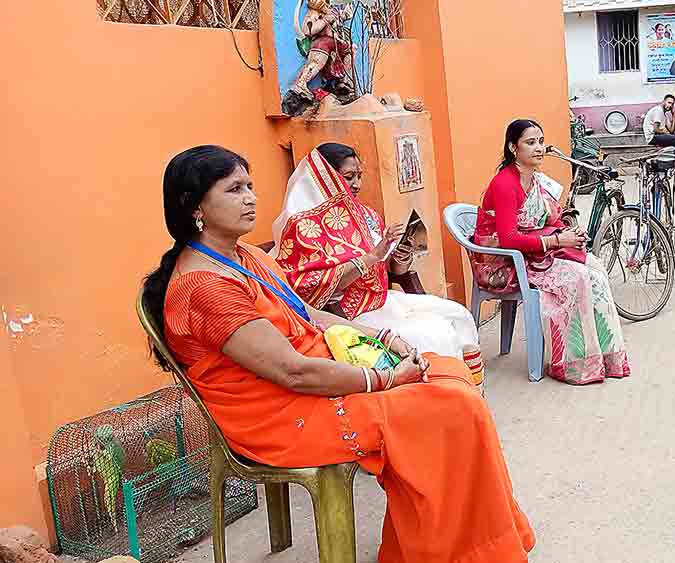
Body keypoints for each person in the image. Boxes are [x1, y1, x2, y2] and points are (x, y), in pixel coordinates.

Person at [143, 145, 534, 562]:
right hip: (276, 412)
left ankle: (470, 543)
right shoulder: (205, 287)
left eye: (251, 186)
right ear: (194, 206)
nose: (251, 197)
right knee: (452, 407)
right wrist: (383, 379)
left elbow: (308, 313)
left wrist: (381, 337)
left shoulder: (246, 255)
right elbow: (291, 372)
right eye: (235, 189)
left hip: (311, 375)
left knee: (450, 373)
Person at [271, 143, 478, 359]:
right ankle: (445, 389)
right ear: (324, 177)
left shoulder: (364, 213)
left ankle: (469, 389)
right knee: (437, 335)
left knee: (459, 315)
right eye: (349, 177)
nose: (357, 184)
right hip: (346, 314)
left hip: (381, 300)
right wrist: (370, 258)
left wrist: (400, 255)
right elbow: (311, 288)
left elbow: (393, 270)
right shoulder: (301, 225)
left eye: (359, 176)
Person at [473, 120, 630, 385]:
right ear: (513, 148)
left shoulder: (537, 181)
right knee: (575, 278)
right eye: (530, 142)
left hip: (533, 254)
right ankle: (572, 365)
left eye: (541, 141)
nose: (539, 148)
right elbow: (509, 238)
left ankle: (604, 358)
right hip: (504, 262)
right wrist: (558, 242)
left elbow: (548, 221)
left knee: (595, 270)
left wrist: (571, 236)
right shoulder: (504, 184)